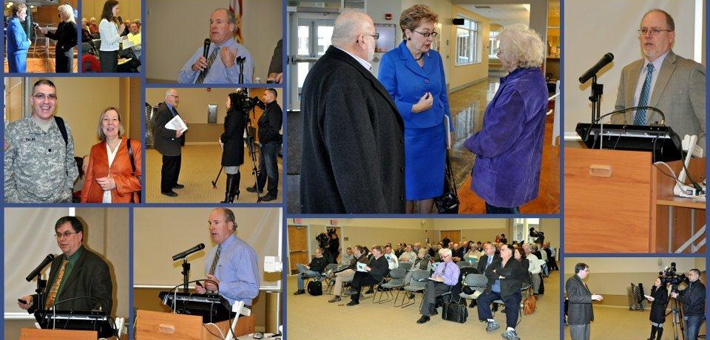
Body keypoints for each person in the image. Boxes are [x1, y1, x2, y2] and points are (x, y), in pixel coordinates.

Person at [300, 10, 405, 213]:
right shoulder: (345, 81)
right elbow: (356, 169)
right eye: (374, 37)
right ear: (362, 40)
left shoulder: (323, 69)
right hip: (343, 206)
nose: (375, 42)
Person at [464, 23, 548, 214]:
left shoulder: (518, 89)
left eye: (500, 51)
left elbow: (494, 139)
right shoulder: (531, 78)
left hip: (504, 172)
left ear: (515, 56)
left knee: (502, 212)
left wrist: (469, 143)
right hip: (516, 165)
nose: (498, 54)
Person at [378, 4, 451, 214]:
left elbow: (442, 96)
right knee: (409, 188)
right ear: (408, 33)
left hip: (435, 133)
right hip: (408, 136)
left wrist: (449, 131)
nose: (430, 39)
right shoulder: (391, 60)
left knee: (431, 184)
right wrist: (413, 108)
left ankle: (426, 218)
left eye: (432, 33)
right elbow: (384, 100)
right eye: (425, 33)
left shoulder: (435, 58)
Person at [612, 9, 705, 146]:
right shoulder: (628, 72)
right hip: (634, 159)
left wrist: (698, 162)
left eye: (655, 30)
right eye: (644, 30)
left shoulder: (690, 71)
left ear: (671, 36)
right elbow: (618, 113)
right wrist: (631, 138)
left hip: (676, 163)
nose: (647, 35)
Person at [18, 216, 112, 313]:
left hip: (78, 327)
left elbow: (103, 304)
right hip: (52, 326)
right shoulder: (56, 262)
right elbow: (54, 296)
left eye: (66, 234)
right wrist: (32, 300)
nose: (61, 239)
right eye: (59, 235)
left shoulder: (96, 265)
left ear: (80, 236)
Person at [5, 79, 78, 203]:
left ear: (56, 100)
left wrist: (67, 190)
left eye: (51, 96)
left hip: (61, 202)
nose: (46, 101)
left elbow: (70, 163)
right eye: (40, 96)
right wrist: (15, 201)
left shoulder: (64, 128)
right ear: (31, 100)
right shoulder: (14, 130)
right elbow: (4, 171)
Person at [195, 208, 260, 306]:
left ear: (230, 225)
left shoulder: (242, 250)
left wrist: (219, 286)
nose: (211, 227)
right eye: (210, 223)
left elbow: (252, 289)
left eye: (216, 222)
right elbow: (215, 282)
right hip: (212, 309)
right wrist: (205, 288)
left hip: (234, 315)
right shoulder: (213, 252)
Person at [80, 108, 142, 203]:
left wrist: (116, 182)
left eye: (114, 119)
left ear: (119, 124)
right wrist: (83, 203)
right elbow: (88, 181)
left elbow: (141, 180)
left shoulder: (134, 146)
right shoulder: (95, 149)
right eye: (106, 119)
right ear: (101, 125)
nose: (110, 123)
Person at [178, 9, 254, 84]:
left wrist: (230, 66)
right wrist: (193, 68)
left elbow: (244, 89)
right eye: (211, 22)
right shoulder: (202, 50)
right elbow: (181, 80)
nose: (213, 26)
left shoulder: (242, 54)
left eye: (219, 22)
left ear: (231, 26)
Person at [476, 244, 525, 340]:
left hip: (510, 291)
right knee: (481, 299)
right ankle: (491, 321)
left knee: (513, 304)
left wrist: (496, 271)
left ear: (509, 252)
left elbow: (508, 273)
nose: (500, 251)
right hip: (494, 290)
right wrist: (498, 276)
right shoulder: (497, 261)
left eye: (502, 250)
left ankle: (510, 330)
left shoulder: (515, 263)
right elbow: (488, 271)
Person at [246, 88, 282, 201]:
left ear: (271, 97)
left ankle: (272, 193)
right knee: (263, 167)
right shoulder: (268, 108)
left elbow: (274, 129)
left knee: (271, 169)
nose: (263, 96)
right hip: (265, 143)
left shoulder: (275, 110)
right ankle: (259, 187)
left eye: (265, 94)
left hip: (270, 143)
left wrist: (264, 140)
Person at [154, 89, 186, 197]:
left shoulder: (171, 108)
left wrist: (182, 123)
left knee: (176, 165)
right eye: (174, 96)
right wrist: (174, 133)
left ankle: (173, 183)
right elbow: (159, 129)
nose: (177, 99)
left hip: (174, 143)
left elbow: (174, 121)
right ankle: (166, 189)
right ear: (167, 97)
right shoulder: (163, 110)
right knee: (169, 167)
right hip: (168, 143)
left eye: (177, 97)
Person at [416, 248, 460, 324]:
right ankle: (431, 308)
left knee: (428, 292)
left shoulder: (455, 267)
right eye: (441, 257)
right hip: (434, 282)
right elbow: (434, 273)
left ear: (450, 256)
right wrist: (434, 277)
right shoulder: (440, 264)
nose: (442, 258)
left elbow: (454, 282)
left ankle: (426, 315)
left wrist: (443, 280)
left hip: (445, 284)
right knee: (429, 284)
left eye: (444, 257)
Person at [219, 92, 247, 203]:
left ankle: (229, 197)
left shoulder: (234, 115)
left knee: (231, 172)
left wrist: (221, 138)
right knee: (235, 170)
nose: (226, 102)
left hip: (232, 146)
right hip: (237, 145)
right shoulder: (239, 114)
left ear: (233, 102)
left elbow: (229, 132)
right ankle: (235, 190)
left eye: (228, 100)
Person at [35, 4, 77, 73]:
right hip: (59, 52)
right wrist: (46, 33)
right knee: (58, 70)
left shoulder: (72, 25)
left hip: (66, 53)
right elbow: (56, 36)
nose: (59, 14)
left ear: (65, 13)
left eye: (60, 12)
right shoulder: (61, 24)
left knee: (66, 71)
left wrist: (65, 46)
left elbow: (77, 40)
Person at [566, 263, 603, 340]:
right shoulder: (572, 281)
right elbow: (572, 297)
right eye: (586, 270)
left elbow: (584, 295)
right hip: (578, 319)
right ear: (580, 271)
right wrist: (591, 297)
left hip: (584, 317)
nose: (588, 272)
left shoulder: (582, 282)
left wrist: (593, 296)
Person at [670, 269, 706, 340]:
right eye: (688, 274)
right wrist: (675, 290)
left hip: (695, 316)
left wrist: (676, 296)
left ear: (697, 276)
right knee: (686, 335)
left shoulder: (699, 287)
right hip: (687, 314)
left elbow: (690, 301)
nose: (688, 276)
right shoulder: (691, 285)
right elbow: (683, 292)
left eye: (690, 275)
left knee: (692, 337)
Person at [98, 0, 126, 73]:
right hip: (107, 54)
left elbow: (116, 39)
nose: (118, 11)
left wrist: (125, 38)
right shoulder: (104, 22)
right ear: (110, 9)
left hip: (113, 52)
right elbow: (109, 41)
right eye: (116, 8)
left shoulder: (113, 22)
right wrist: (119, 32)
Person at [7, 3, 31, 73]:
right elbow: (19, 45)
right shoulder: (15, 25)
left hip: (18, 57)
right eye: (24, 13)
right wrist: (28, 43)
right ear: (17, 13)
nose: (26, 15)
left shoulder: (14, 22)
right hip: (18, 58)